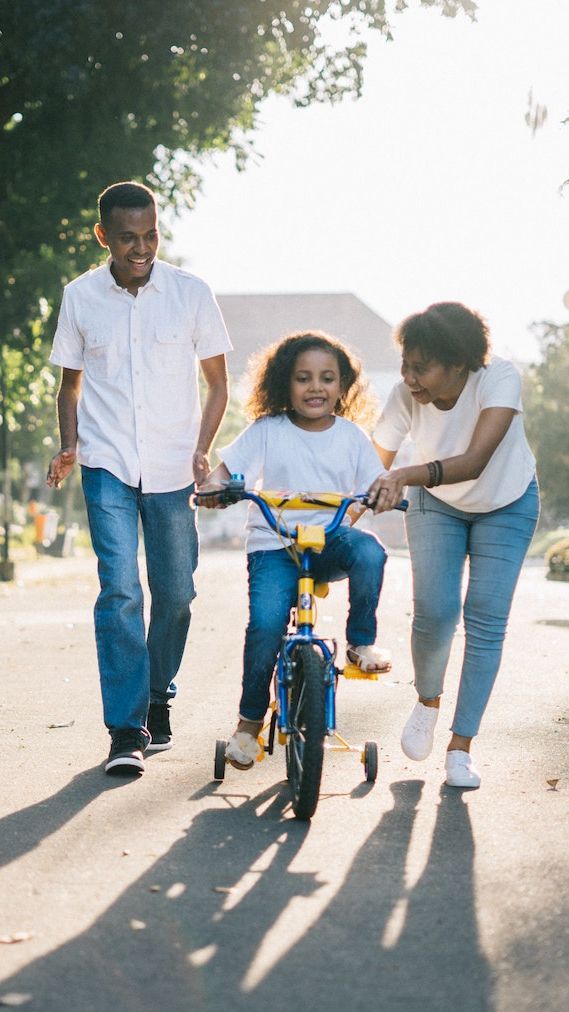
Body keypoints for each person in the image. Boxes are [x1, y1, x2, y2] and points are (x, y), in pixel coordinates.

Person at [47, 180, 232, 775]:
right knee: (121, 590)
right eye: (127, 238)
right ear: (103, 236)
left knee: (176, 594)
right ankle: (126, 730)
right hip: (106, 465)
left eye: (150, 234)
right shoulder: (80, 297)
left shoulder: (191, 293)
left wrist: (203, 451)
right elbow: (69, 384)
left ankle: (159, 696)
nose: (141, 247)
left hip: (175, 467)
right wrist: (69, 445)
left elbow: (218, 383)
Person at [200, 330, 393, 770]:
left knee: (371, 552)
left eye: (327, 378)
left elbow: (374, 484)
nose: (316, 387)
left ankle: (360, 643)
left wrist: (382, 494)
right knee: (266, 626)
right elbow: (225, 470)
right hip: (274, 546)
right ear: (285, 383)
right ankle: (248, 725)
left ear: (343, 386)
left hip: (328, 542)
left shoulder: (351, 437)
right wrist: (215, 486)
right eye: (303, 378)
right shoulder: (267, 430)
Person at [368, 301, 539, 788]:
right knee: (435, 611)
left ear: (459, 364)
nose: (408, 377)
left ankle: (461, 747)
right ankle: (427, 701)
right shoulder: (405, 396)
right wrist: (342, 514)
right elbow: (370, 466)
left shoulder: (498, 379)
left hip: (506, 502)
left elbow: (476, 460)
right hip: (437, 505)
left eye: (421, 367)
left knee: (485, 617)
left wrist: (403, 474)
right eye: (405, 363)